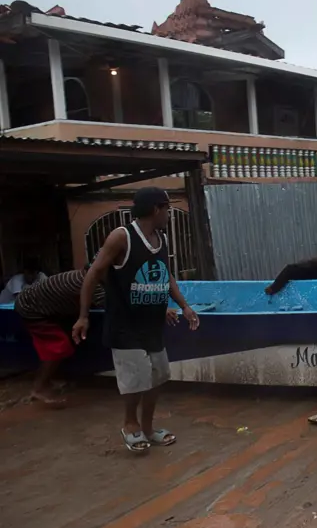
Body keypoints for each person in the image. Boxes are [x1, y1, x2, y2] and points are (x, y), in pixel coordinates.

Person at [73, 187, 200, 453]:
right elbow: (93, 274)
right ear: (156, 209)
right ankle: (130, 424)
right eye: (167, 208)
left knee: (158, 374)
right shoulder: (122, 237)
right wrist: (83, 316)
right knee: (136, 378)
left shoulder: (160, 238)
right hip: (124, 325)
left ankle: (148, 427)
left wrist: (184, 306)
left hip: (151, 324)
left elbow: (165, 275)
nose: (168, 214)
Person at [14, 268, 105, 406]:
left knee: (69, 339)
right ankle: (39, 388)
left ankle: (52, 378)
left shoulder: (85, 274)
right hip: (31, 308)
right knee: (58, 347)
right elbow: (112, 305)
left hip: (42, 305)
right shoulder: (94, 285)